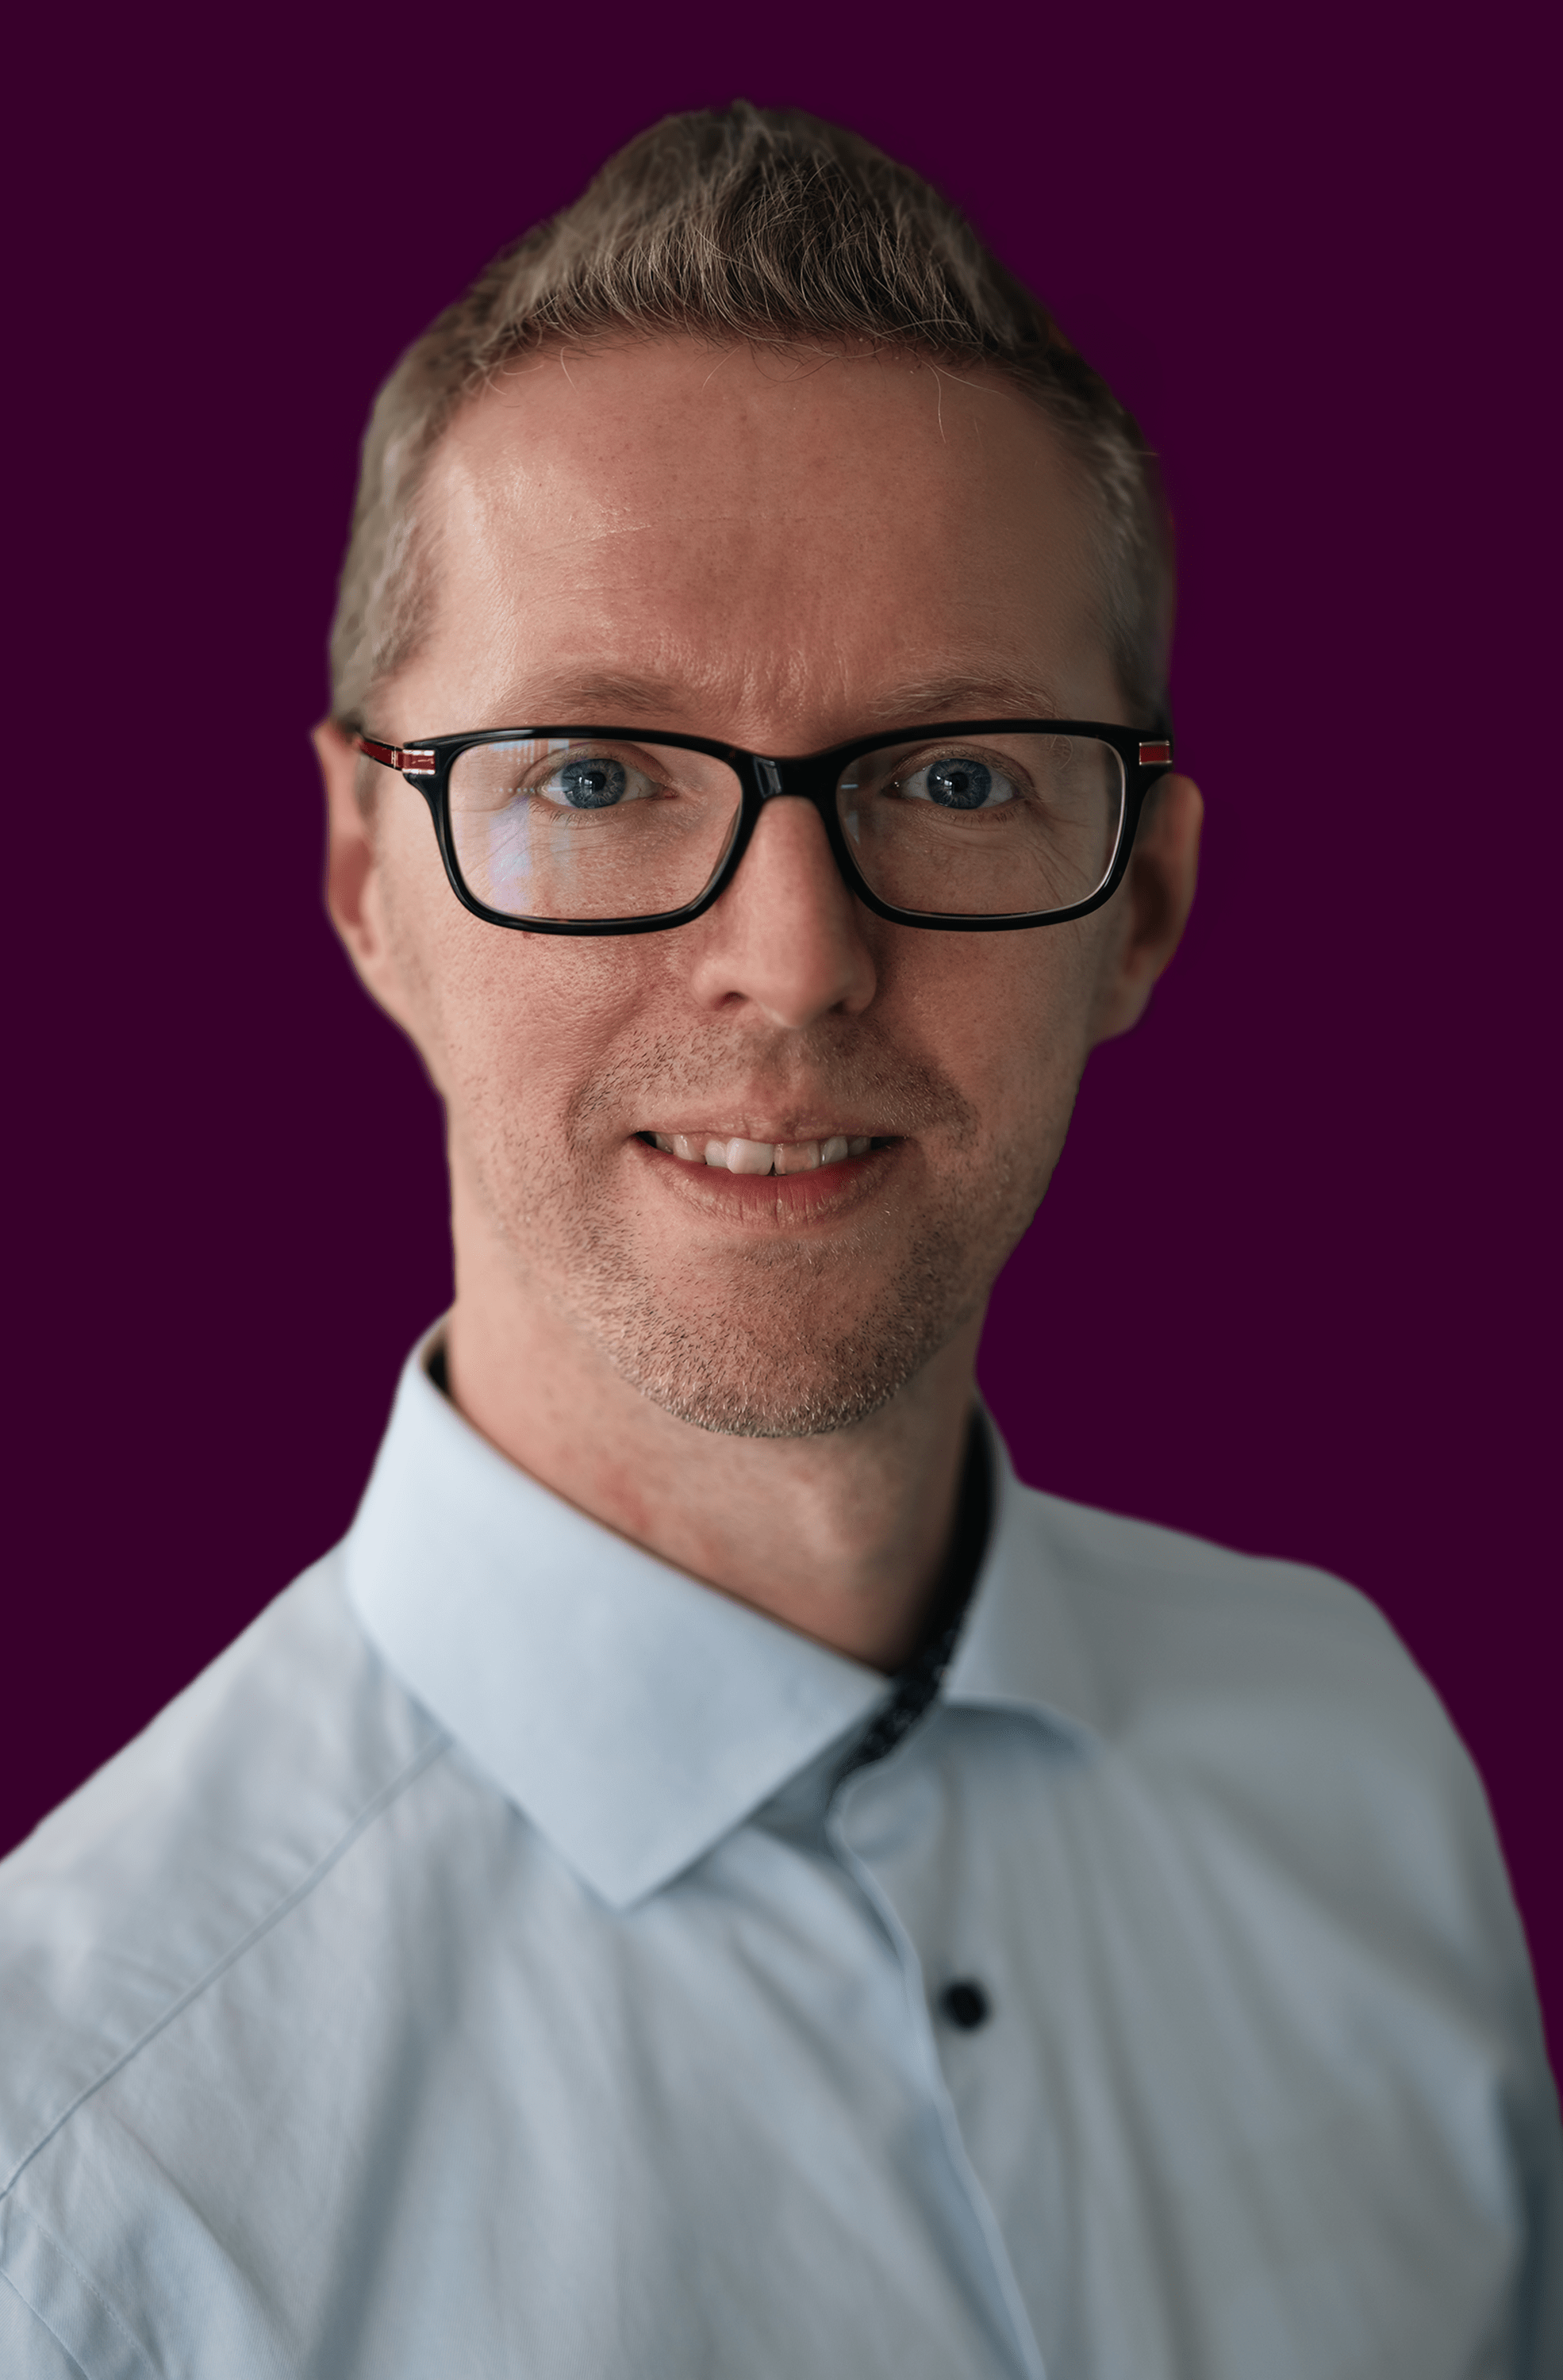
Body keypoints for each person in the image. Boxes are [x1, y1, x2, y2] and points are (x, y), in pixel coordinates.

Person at [1, 102, 1557, 2380]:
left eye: (955, 778)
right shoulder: (73, 2173)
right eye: (594, 776)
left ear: (1143, 904)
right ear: (367, 875)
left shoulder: (1363, 1758)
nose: (797, 964)